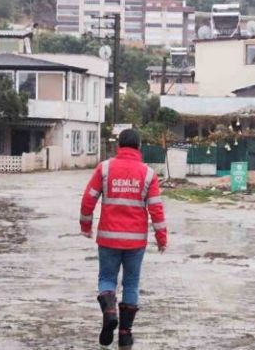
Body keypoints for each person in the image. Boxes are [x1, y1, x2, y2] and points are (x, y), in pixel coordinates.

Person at [79, 129, 167, 349]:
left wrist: (85, 225)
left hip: (108, 238)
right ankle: (125, 334)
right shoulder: (148, 174)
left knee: (107, 279)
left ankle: (109, 311)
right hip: (135, 242)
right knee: (131, 283)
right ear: (139, 146)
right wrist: (161, 237)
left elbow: (88, 199)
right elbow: (156, 209)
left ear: (119, 145)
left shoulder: (105, 168)